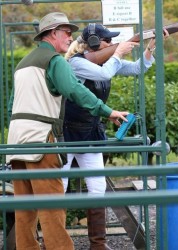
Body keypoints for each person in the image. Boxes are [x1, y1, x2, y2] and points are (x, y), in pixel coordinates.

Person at [6, 13, 130, 250]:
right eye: (66, 31)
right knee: (52, 206)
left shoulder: (23, 63)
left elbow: (14, 103)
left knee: (25, 209)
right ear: (53, 33)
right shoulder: (55, 60)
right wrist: (108, 111)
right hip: (40, 140)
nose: (71, 37)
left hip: (16, 142)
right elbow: (74, 90)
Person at [62, 23, 169, 250]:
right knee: (58, 187)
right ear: (92, 43)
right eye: (107, 41)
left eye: (112, 42)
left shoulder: (104, 61)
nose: (111, 44)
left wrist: (151, 46)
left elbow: (138, 68)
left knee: (98, 187)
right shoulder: (76, 63)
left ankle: (98, 245)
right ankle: (56, 243)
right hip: (67, 132)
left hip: (90, 130)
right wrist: (118, 52)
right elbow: (104, 72)